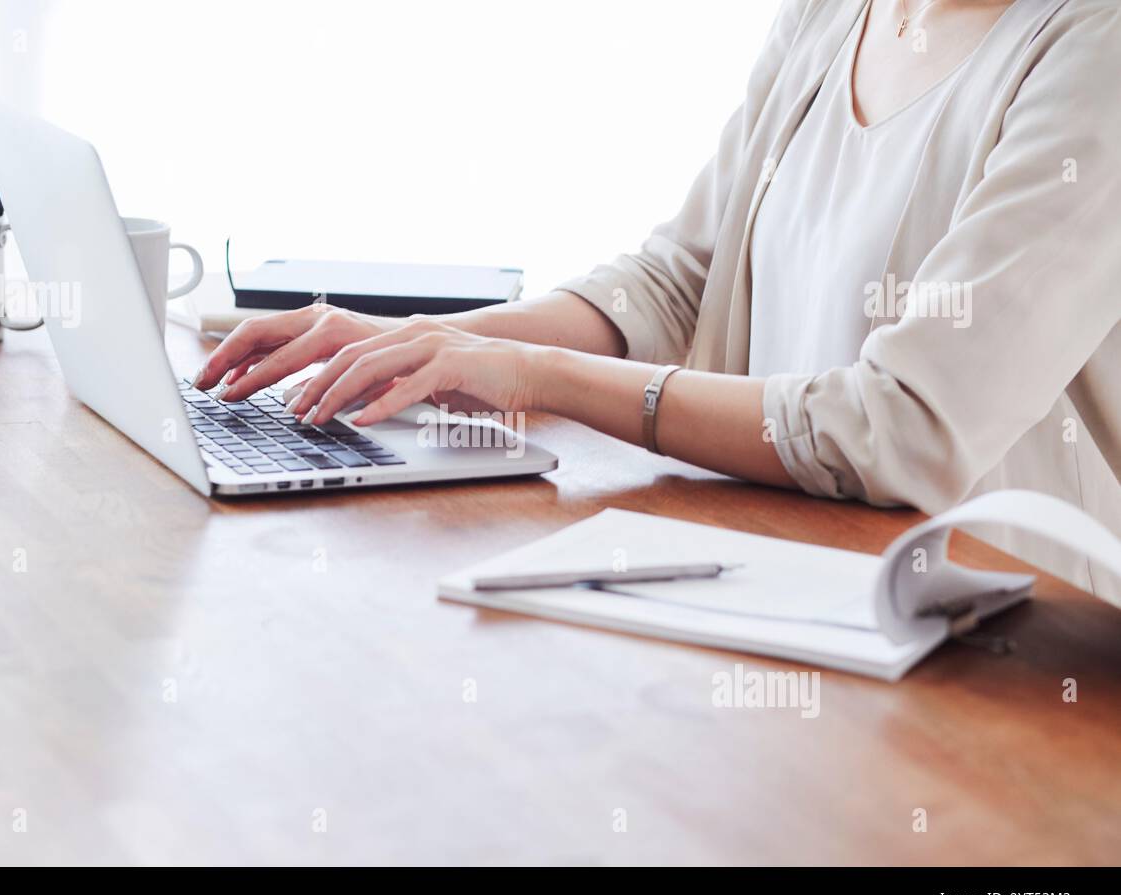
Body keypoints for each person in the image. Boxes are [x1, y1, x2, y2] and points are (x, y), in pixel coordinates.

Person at [194, 0, 1121, 601]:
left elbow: (902, 427)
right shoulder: (837, 13)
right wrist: (430, 342)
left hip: (1007, 637)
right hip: (806, 583)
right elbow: (680, 281)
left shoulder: (1095, 47)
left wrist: (539, 374)